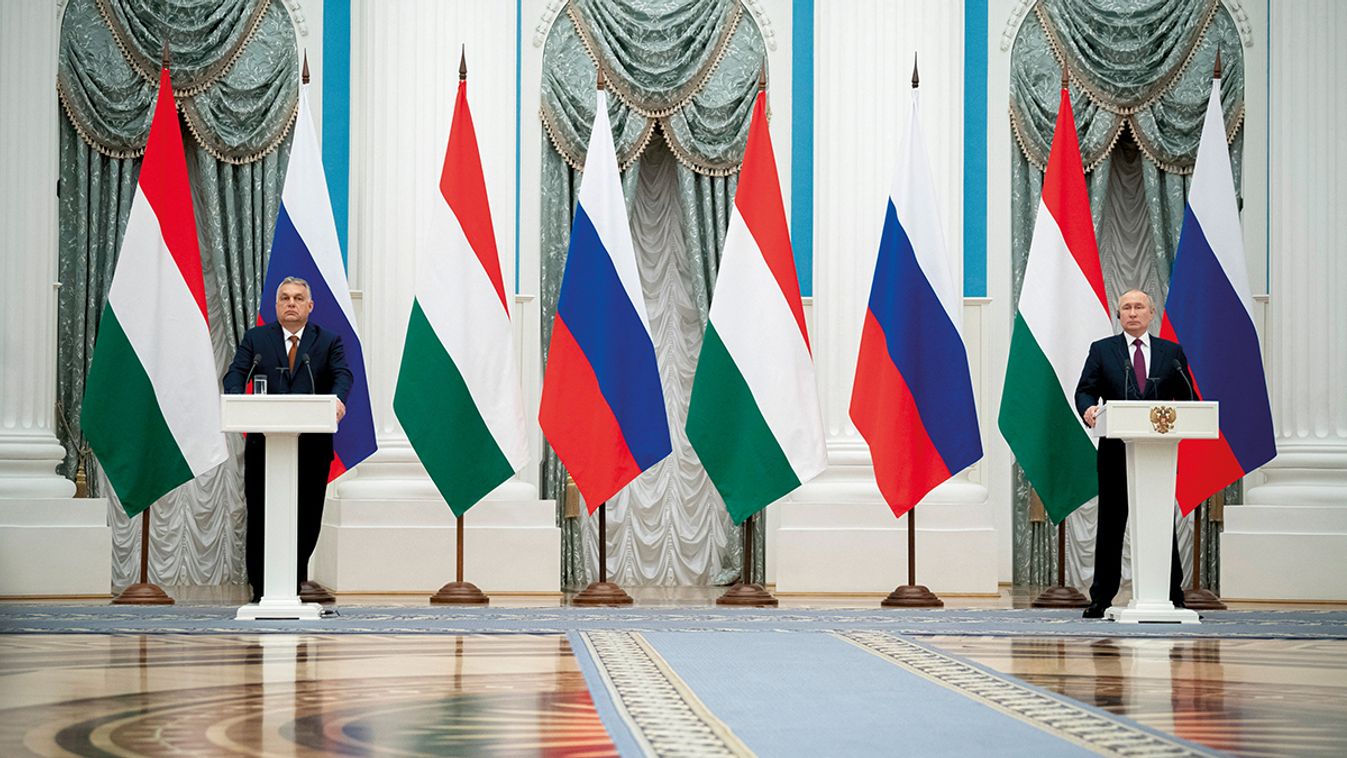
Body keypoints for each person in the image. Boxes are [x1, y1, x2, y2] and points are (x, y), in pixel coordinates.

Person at [224, 277, 351, 603]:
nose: (291, 303)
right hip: (265, 446)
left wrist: (337, 399)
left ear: (310, 306)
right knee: (261, 515)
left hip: (312, 447)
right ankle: (261, 590)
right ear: (276, 305)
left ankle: (292, 582)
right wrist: (237, 397)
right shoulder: (256, 339)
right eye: (284, 298)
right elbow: (235, 373)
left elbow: (342, 374)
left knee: (307, 517)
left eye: (297, 298)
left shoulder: (328, 341)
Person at [1075, 288, 1191, 619]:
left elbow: (1187, 397)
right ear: (1119, 314)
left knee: (1160, 525)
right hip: (1115, 452)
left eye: (1139, 306)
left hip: (1157, 455)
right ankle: (1101, 598)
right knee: (1111, 525)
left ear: (1151, 313)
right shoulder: (1102, 350)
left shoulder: (1171, 352)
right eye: (1126, 307)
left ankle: (1173, 594)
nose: (1133, 312)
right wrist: (1088, 409)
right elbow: (1085, 391)